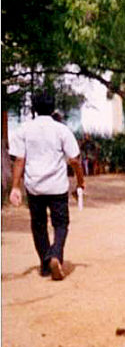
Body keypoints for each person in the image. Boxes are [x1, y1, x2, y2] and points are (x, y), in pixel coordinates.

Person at [8, 91, 86, 280]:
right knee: (61, 224)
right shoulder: (61, 130)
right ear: (53, 109)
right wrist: (80, 182)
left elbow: (19, 159)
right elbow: (74, 160)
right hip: (57, 187)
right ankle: (55, 255)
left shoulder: (24, 130)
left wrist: (15, 187)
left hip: (34, 186)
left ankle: (45, 265)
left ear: (33, 108)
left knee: (38, 225)